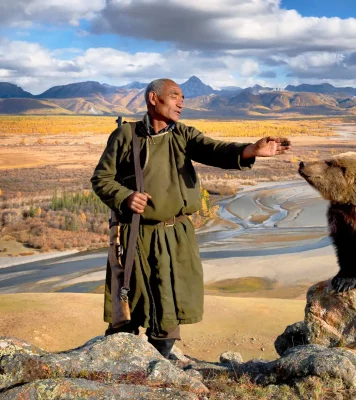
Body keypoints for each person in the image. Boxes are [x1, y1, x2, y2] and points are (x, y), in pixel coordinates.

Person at [91, 78, 291, 357]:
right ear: (153, 98)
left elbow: (214, 150)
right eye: (174, 96)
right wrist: (125, 197)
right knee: (130, 306)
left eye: (183, 97)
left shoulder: (183, 135)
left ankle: (159, 366)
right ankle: (122, 367)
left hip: (177, 236)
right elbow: (101, 178)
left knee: (170, 306)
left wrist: (250, 150)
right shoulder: (127, 135)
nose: (181, 103)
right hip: (137, 234)